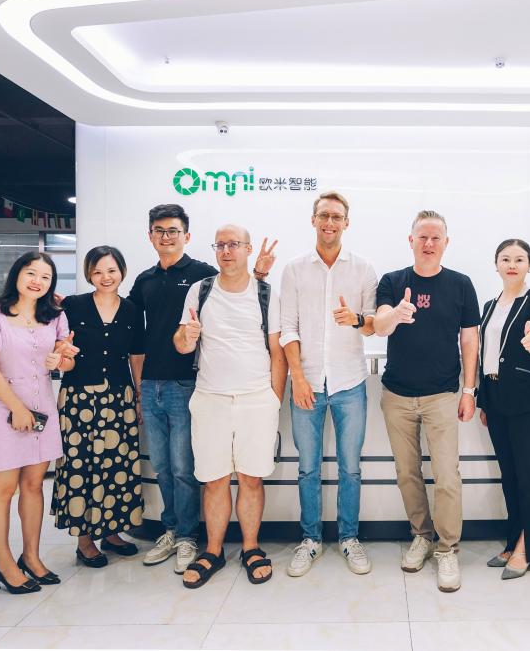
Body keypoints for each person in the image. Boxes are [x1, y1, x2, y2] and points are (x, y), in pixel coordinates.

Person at [173, 224, 287, 588]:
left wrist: (274, 400)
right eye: (220, 245)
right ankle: (213, 551)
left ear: (248, 250)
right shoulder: (200, 290)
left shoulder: (266, 293)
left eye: (234, 244)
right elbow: (182, 344)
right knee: (215, 479)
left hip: (257, 400)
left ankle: (251, 548)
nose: (226, 251)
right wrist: (187, 336)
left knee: (251, 478)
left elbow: (278, 352)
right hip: (211, 399)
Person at [374, 210, 480, 593]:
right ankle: (421, 535)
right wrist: (396, 315)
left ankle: (447, 549)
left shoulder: (461, 284)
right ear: (411, 241)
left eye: (436, 237)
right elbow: (378, 324)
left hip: (443, 395)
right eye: (423, 237)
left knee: (447, 475)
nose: (429, 243)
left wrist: (469, 390)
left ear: (446, 243)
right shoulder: (392, 281)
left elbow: (470, 339)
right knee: (407, 472)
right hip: (397, 395)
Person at [280, 191, 378, 578]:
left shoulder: (363, 268)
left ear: (346, 223)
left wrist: (355, 319)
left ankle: (349, 538)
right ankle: (311, 540)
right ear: (313, 220)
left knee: (350, 468)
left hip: (349, 382)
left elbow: (372, 324)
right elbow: (287, 328)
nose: (330, 223)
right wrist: (299, 378)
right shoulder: (294, 269)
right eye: (324, 216)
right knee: (308, 468)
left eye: (337, 217)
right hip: (306, 382)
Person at [0, 252, 76, 594]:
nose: (37, 281)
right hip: (3, 410)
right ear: (17, 274)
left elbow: (65, 362)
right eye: (31, 273)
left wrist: (61, 360)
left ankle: (31, 557)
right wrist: (16, 408)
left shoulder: (55, 316)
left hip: (43, 408)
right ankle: (5, 566)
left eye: (45, 277)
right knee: (2, 490)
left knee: (33, 485)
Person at [128, 204, 216, 575]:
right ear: (150, 236)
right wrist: (138, 388)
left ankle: (187, 536)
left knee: (183, 468)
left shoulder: (203, 274)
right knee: (162, 466)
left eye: (173, 230)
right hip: (151, 384)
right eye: (159, 230)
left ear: (187, 236)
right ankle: (170, 530)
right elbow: (130, 329)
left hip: (187, 383)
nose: (166, 237)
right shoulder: (144, 280)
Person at [52, 246, 146, 567]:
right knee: (81, 466)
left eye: (111, 270)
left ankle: (112, 532)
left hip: (119, 397)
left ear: (122, 271)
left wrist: (139, 395)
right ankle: (84, 541)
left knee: (117, 465)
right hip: (79, 398)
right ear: (89, 274)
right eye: (97, 272)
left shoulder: (132, 310)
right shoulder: (73, 306)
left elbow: (136, 354)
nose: (105, 277)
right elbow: (58, 345)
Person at [477, 239, 530, 580]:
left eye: (519, 259)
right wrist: (484, 401)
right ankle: (513, 541)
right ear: (496, 264)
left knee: (528, 477)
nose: (512, 265)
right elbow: (486, 356)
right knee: (509, 476)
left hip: (529, 403)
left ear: (529, 265)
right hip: (496, 400)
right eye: (506, 259)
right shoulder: (489, 305)